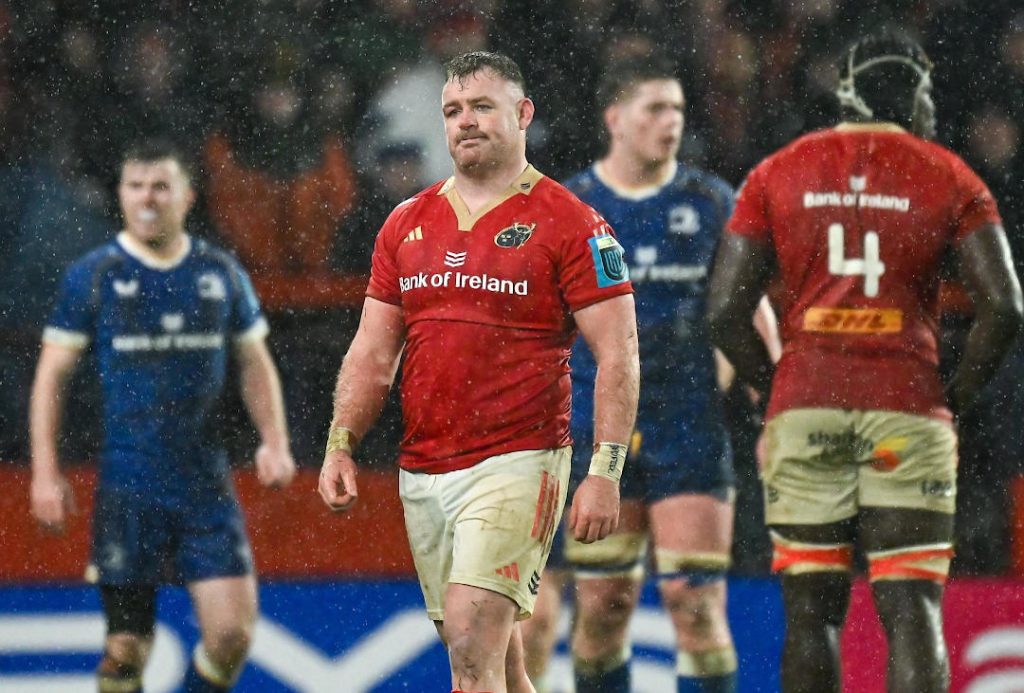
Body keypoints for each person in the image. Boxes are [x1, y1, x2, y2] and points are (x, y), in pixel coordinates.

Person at [706, 30, 1023, 693]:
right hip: (907, 404)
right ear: (917, 96)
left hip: (807, 403)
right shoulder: (950, 173)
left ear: (845, 93)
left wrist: (774, 386)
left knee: (812, 611)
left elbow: (724, 312)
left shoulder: (779, 169)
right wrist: (953, 393)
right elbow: (1005, 307)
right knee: (911, 605)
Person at [317, 51, 640, 693]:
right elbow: (372, 354)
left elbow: (619, 355)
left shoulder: (574, 224)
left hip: (519, 459)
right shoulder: (404, 225)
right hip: (425, 465)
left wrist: (604, 473)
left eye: (482, 107)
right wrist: (339, 443)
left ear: (523, 114)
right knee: (496, 663)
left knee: (470, 646)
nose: (465, 121)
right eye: (453, 111)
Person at [522, 54, 779, 693]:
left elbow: (751, 308)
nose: (671, 122)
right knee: (604, 610)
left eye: (679, 110)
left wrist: (774, 405)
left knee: (696, 606)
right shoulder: (569, 207)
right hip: (592, 427)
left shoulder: (711, 202)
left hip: (688, 423)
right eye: (656, 109)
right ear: (615, 117)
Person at [29, 139, 296, 693]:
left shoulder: (218, 272)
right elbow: (51, 377)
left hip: (204, 484)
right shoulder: (94, 275)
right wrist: (45, 471)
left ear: (187, 196)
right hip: (129, 486)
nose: (146, 199)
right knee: (125, 651)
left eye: (159, 186)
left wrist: (274, 440)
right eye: (135, 186)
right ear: (121, 194)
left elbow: (254, 361)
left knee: (231, 638)